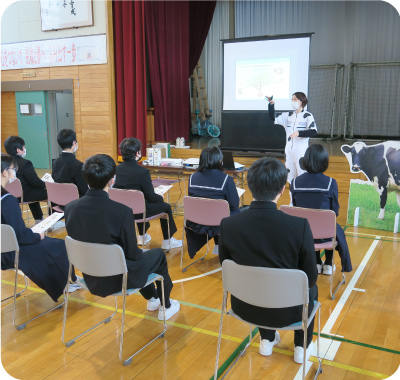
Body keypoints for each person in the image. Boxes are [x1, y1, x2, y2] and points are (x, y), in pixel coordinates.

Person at [219, 157, 318, 363]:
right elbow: (310, 276)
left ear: (249, 185)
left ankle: (266, 339)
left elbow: (225, 266)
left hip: (244, 306)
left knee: (258, 278)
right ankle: (301, 346)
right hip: (288, 312)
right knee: (310, 287)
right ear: (283, 189)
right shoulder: (298, 226)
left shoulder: (228, 224)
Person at [64, 154, 180, 320]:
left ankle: (153, 298)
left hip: (90, 276)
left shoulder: (70, 208)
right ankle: (165, 304)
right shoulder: (121, 211)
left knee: (140, 260)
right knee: (157, 256)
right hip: (118, 278)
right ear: (112, 180)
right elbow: (132, 254)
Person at [1, 154, 82, 301]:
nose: (15, 173)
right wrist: (38, 235)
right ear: (4, 172)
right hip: (13, 252)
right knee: (61, 245)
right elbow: (21, 236)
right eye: (13, 169)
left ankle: (66, 280)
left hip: (4, 249)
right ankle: (66, 282)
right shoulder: (8, 201)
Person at [290, 144, 352, 275]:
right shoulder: (330, 183)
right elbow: (334, 212)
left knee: (311, 223)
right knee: (331, 225)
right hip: (326, 236)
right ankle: (328, 264)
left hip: (303, 235)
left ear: (305, 161)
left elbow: (296, 209)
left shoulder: (294, 182)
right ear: (325, 161)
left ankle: (317, 263)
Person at [114, 137, 182, 250]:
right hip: (140, 211)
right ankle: (168, 240)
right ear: (137, 153)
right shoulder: (143, 172)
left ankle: (143, 236)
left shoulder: (116, 169)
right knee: (165, 207)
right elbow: (151, 196)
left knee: (137, 201)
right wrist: (160, 197)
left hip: (123, 210)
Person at [187, 147, 240, 257]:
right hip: (220, 223)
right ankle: (228, 249)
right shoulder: (226, 179)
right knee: (236, 211)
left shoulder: (192, 178)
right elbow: (234, 205)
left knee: (214, 208)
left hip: (197, 222)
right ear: (220, 161)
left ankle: (217, 246)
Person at [266, 93, 317, 184]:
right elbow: (273, 117)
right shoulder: (288, 115)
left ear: (301, 102)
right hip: (289, 150)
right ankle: (292, 197)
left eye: (295, 99)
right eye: (292, 99)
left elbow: (313, 131)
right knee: (290, 177)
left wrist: (299, 133)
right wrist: (271, 104)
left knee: (302, 174)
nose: (292, 101)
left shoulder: (308, 115)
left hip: (301, 151)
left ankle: (302, 196)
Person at [4, 136, 47, 223]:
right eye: (23, 147)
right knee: (51, 191)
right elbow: (35, 182)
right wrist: (47, 184)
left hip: (8, 196)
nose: (24, 149)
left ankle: (38, 219)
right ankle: (52, 221)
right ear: (18, 150)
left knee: (33, 190)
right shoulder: (25, 163)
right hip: (24, 195)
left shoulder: (4, 163)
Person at [52, 129, 88, 198]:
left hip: (58, 200)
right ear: (74, 143)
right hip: (74, 203)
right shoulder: (78, 165)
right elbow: (84, 190)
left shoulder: (55, 162)